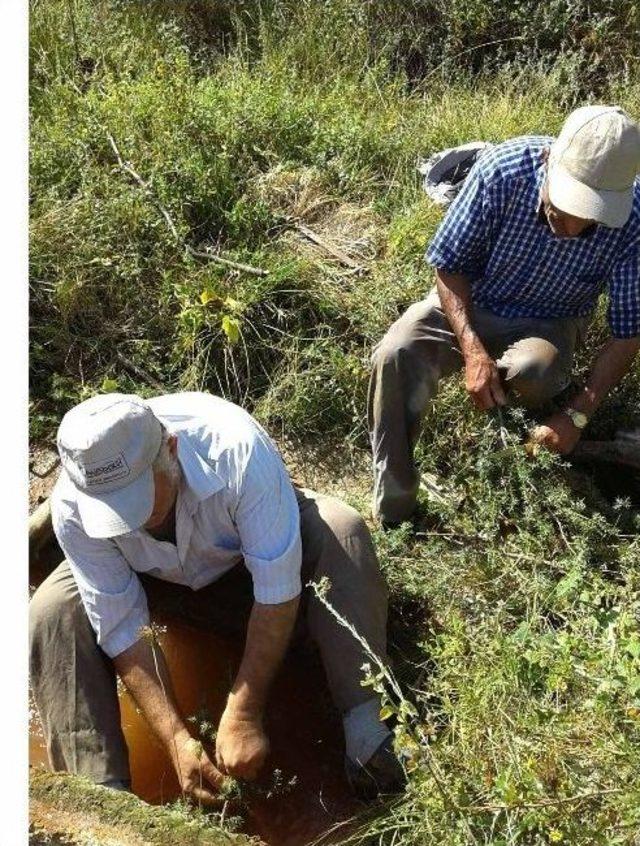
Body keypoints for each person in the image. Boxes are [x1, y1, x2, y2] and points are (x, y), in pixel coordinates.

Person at [29, 391, 405, 801]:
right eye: (111, 509)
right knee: (51, 610)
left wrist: (244, 709)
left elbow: (276, 588)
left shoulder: (236, 450)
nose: (127, 520)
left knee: (341, 529)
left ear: (170, 449)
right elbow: (120, 623)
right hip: (155, 580)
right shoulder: (73, 504)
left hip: (241, 569)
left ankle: (368, 730)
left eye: (136, 499)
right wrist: (176, 740)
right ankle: (99, 801)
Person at [368, 105, 640, 526]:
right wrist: (473, 351)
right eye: (566, 207)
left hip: (549, 321)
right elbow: (449, 263)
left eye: (590, 219)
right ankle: (395, 508)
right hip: (471, 298)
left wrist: (577, 414)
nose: (571, 228)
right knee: (396, 353)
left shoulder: (632, 220)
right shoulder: (503, 170)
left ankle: (506, 453)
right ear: (550, 161)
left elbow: (628, 332)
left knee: (537, 372)